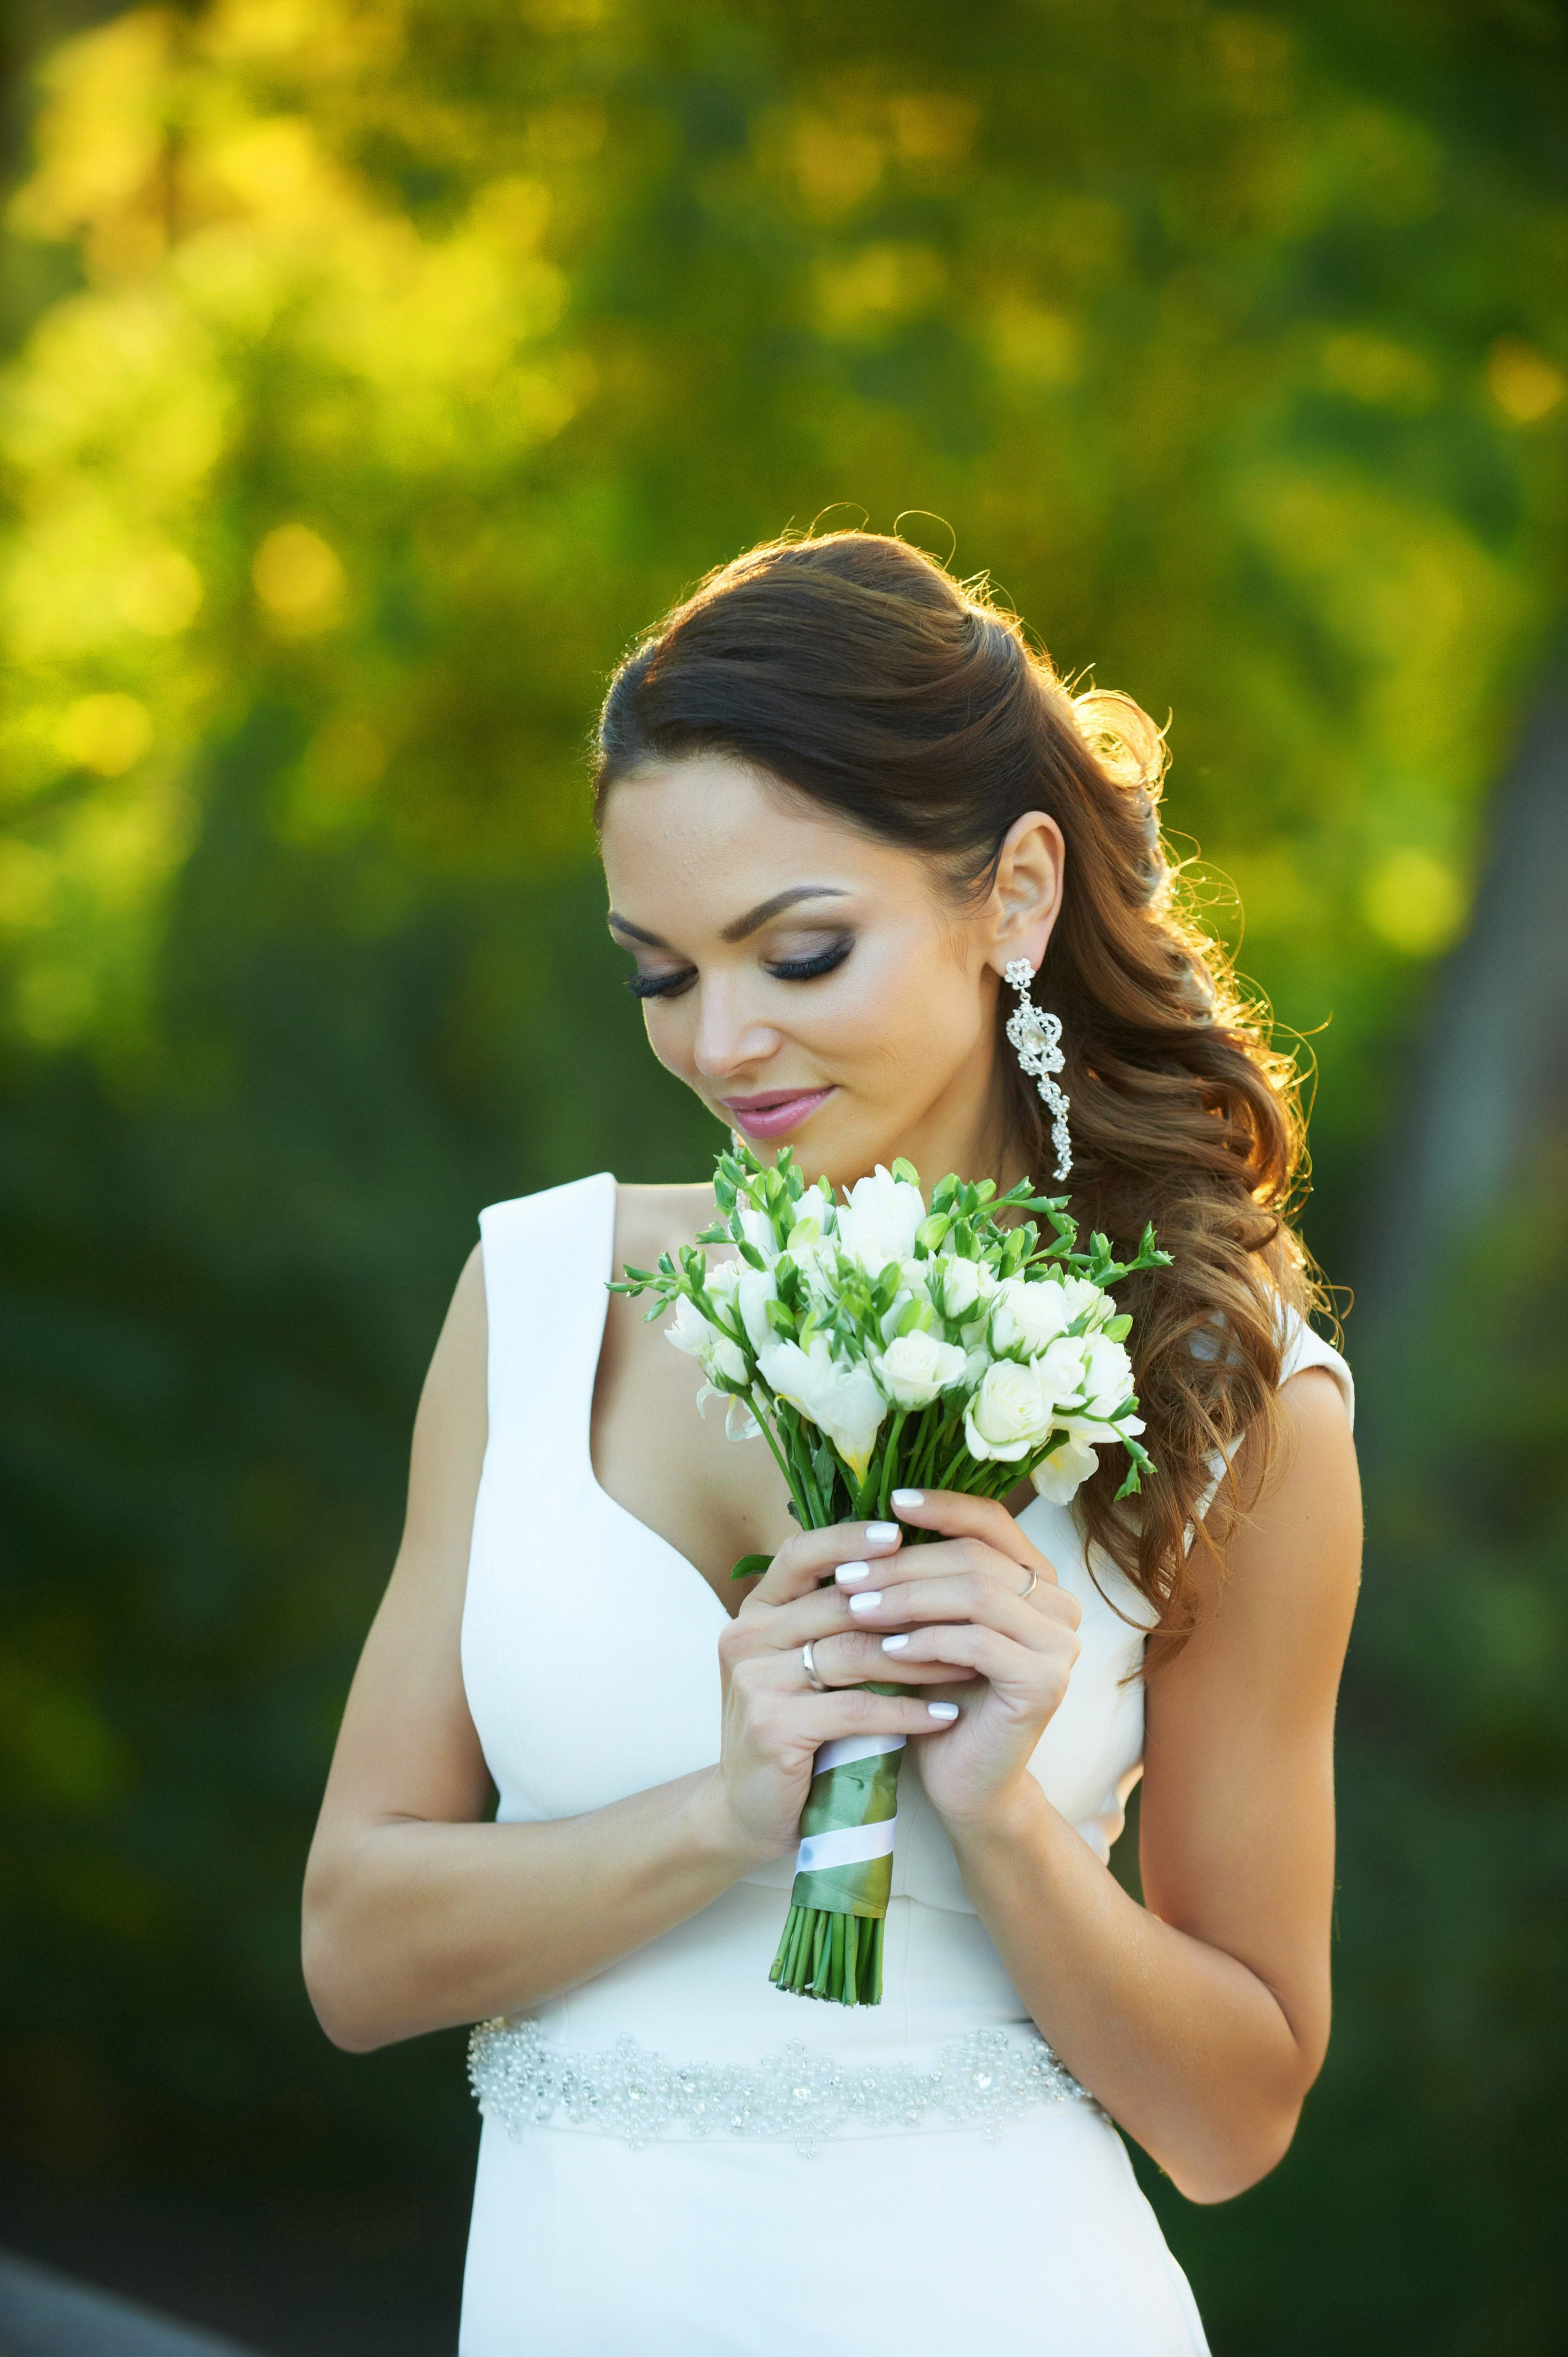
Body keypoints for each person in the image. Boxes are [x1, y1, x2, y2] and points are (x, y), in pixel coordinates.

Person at [302, 531, 1360, 2356]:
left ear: (1014, 896)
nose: (724, 1042)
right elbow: (354, 1948)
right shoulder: (540, 1298)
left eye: (799, 950)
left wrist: (1007, 1826)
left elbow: (1235, 2118)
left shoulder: (1230, 1392)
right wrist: (727, 1811)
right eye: (660, 971)